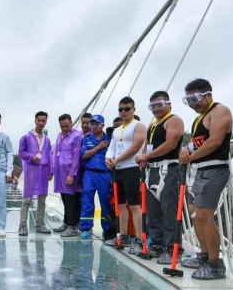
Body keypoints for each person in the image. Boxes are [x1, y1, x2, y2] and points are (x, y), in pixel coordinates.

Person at [178, 79, 233, 280]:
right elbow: (196, 143)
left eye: (195, 99)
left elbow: (215, 141)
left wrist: (191, 156)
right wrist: (186, 150)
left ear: (208, 95)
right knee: (195, 215)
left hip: (213, 169)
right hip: (198, 170)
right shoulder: (200, 118)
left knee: (204, 216)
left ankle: (215, 264)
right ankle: (203, 255)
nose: (192, 104)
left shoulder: (219, 111)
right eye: (188, 100)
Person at [135, 91, 185, 264]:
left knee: (169, 210)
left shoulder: (174, 120)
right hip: (151, 171)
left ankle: (173, 248)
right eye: (153, 106)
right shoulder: (154, 125)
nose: (156, 109)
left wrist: (146, 157)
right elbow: (147, 147)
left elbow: (170, 144)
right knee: (153, 210)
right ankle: (157, 243)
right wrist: (143, 158)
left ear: (169, 104)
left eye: (160, 104)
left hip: (168, 169)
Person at [105, 97, 146, 255]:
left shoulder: (138, 125)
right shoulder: (116, 130)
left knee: (134, 205)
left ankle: (139, 239)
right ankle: (123, 236)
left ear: (133, 110)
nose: (123, 112)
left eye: (127, 109)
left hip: (131, 168)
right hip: (118, 170)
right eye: (120, 109)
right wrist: (108, 159)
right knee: (120, 205)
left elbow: (136, 146)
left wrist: (117, 159)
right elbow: (112, 148)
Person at [17, 111, 53, 236]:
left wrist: (51, 170)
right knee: (27, 199)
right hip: (31, 171)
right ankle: (22, 225)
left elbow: (49, 155)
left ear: (46, 122)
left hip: (43, 171)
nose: (41, 123)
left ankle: (39, 224)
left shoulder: (47, 140)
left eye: (43, 121)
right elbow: (21, 152)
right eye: (39, 120)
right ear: (35, 121)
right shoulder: (26, 137)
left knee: (42, 199)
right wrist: (31, 157)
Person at [79, 114, 112, 240]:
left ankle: (107, 229)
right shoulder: (87, 139)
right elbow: (84, 155)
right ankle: (86, 227)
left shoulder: (109, 139)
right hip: (90, 173)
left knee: (105, 202)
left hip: (104, 174)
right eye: (91, 124)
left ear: (103, 125)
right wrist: (98, 147)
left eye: (96, 124)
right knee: (87, 200)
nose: (93, 127)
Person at [52, 114, 82, 237]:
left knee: (71, 199)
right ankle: (66, 222)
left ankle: (73, 226)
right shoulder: (60, 135)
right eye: (62, 126)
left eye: (67, 126)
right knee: (64, 198)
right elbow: (56, 153)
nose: (64, 128)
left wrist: (72, 174)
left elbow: (76, 157)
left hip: (70, 172)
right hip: (60, 172)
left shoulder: (76, 136)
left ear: (72, 123)